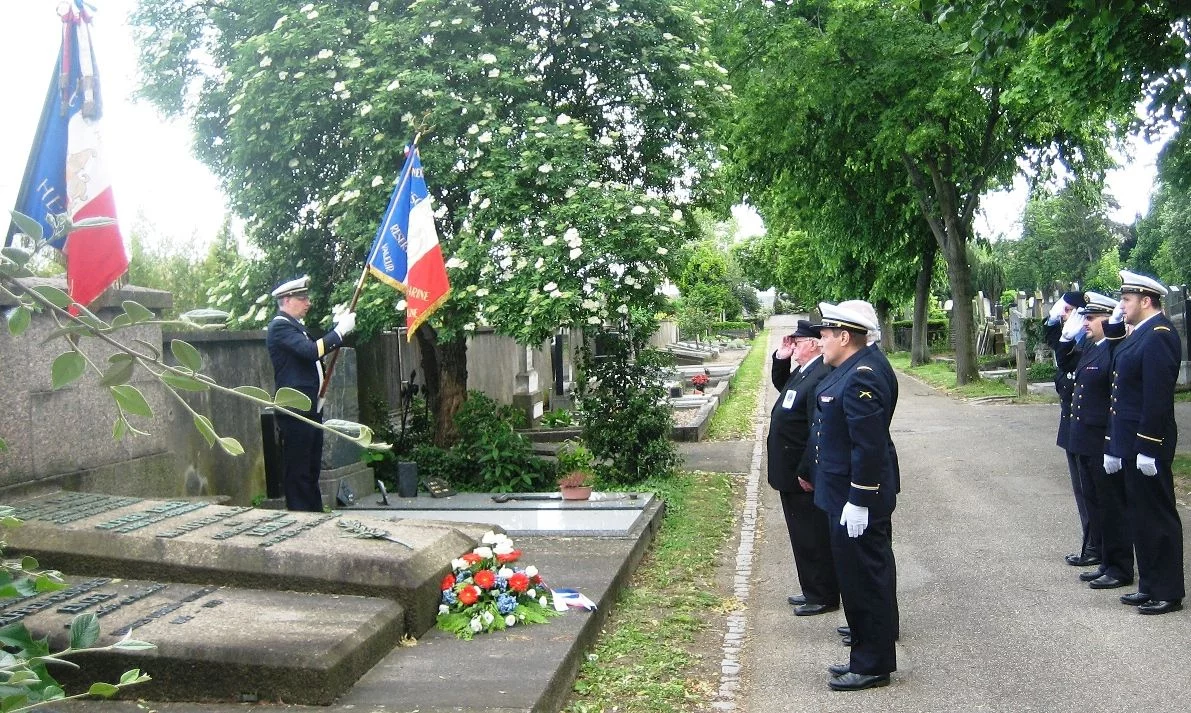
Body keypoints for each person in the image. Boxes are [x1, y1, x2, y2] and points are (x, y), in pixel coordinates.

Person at [811, 302, 899, 691]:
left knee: (866, 581)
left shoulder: (862, 375)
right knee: (857, 579)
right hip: (843, 493)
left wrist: (860, 498)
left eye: (826, 334)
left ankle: (872, 664)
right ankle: (864, 654)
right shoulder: (850, 368)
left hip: (855, 496)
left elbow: (869, 445)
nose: (821, 341)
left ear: (845, 337)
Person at [1103, 270, 1184, 615]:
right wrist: (1116, 444)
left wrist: (1149, 446)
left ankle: (1168, 591)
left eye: (1126, 300)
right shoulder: (1141, 334)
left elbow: (1157, 397)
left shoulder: (1160, 335)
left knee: (1159, 518)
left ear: (1145, 301)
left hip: (1148, 441)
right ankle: (1150, 584)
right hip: (1132, 443)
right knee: (1141, 516)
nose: (1121, 306)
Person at [266, 275, 356, 512]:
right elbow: (310, 352)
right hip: (296, 409)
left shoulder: (296, 327)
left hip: (310, 406)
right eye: (302, 298)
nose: (308, 303)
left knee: (311, 468)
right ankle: (301, 517)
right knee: (298, 471)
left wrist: (337, 331)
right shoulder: (279, 326)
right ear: (286, 300)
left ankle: (314, 514)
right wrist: (338, 333)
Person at [767, 320, 838, 616]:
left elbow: (816, 428)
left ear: (812, 344)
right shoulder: (805, 371)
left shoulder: (820, 373)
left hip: (800, 470)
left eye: (797, 342)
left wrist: (807, 469)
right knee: (801, 533)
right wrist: (781, 358)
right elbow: (785, 390)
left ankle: (823, 594)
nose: (793, 346)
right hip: (789, 468)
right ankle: (812, 588)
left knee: (812, 535)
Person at [1067, 293, 1134, 591]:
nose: (1085, 324)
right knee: (1095, 503)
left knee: (1111, 506)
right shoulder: (1093, 349)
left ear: (1109, 318)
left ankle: (1119, 566)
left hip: (1100, 440)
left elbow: (1115, 399)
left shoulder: (1113, 350)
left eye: (1091, 318)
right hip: (1085, 439)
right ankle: (1106, 560)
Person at [1045, 291, 1101, 568]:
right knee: (1082, 492)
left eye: (1070, 312)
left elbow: (1067, 367)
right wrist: (1056, 323)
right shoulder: (1076, 344)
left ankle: (1094, 546)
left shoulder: (1089, 346)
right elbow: (1058, 353)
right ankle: (1090, 544)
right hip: (1072, 424)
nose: (1065, 317)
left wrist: (1067, 338)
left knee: (1091, 493)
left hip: (1084, 425)